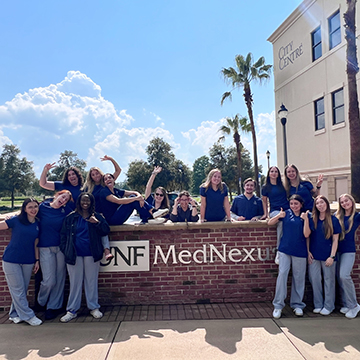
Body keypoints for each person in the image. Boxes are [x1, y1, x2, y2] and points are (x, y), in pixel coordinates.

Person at [59, 193, 110, 322]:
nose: (85, 203)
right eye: (83, 200)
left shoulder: (97, 216)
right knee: (75, 283)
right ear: (79, 202)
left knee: (91, 282)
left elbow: (105, 230)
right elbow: (63, 236)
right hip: (74, 255)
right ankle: (72, 310)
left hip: (91, 254)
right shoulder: (71, 218)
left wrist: (97, 223)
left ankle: (93, 307)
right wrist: (66, 250)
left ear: (92, 202)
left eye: (88, 200)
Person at [1, 198, 42, 326]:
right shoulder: (16, 220)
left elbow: (36, 243)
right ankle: (28, 316)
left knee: (21, 290)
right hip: (11, 260)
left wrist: (36, 260)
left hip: (28, 261)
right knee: (18, 289)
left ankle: (14, 314)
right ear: (24, 209)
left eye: (35, 206)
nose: (33, 209)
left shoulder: (37, 223)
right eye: (30, 207)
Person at [268, 194, 308, 319]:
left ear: (301, 204)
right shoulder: (285, 214)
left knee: (299, 278)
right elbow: (270, 223)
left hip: (300, 251)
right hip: (285, 250)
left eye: (296, 204)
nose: (294, 206)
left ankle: (297, 305)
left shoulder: (306, 216)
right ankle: (278, 305)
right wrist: (278, 216)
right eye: (292, 204)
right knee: (282, 275)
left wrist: (306, 219)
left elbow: (307, 235)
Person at [37, 190, 73, 320]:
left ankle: (53, 307)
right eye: (63, 197)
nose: (63, 200)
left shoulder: (65, 211)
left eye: (66, 200)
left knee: (60, 278)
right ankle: (41, 301)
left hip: (60, 248)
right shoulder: (42, 207)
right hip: (45, 247)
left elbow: (79, 216)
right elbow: (27, 214)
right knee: (49, 280)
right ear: (57, 195)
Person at [304, 195, 340, 315]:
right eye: (318, 203)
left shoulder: (333, 220)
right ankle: (318, 304)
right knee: (314, 280)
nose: (320, 205)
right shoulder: (312, 218)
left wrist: (332, 256)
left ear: (327, 204)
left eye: (322, 203)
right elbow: (308, 237)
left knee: (329, 281)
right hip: (314, 255)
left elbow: (335, 240)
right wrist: (308, 252)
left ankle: (329, 306)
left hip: (328, 256)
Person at [82, 155, 122, 260]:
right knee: (99, 223)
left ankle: (107, 250)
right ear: (91, 177)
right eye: (93, 175)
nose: (96, 176)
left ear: (100, 173)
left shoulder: (106, 182)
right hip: (94, 213)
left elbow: (118, 171)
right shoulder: (88, 188)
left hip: (106, 213)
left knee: (102, 223)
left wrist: (111, 159)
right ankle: (106, 250)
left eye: (97, 173)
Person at [100, 173, 168, 225]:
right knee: (133, 199)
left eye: (109, 178)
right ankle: (151, 213)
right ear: (104, 183)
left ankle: (149, 215)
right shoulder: (104, 191)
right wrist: (136, 198)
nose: (108, 179)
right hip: (112, 220)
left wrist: (140, 197)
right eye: (105, 179)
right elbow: (118, 201)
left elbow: (134, 192)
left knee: (133, 198)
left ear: (113, 180)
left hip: (118, 217)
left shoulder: (116, 191)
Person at [335, 193, 360, 319]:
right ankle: (346, 303)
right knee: (339, 278)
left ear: (352, 201)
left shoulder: (357, 216)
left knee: (344, 275)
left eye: (347, 201)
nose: (345, 203)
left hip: (348, 250)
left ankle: (354, 305)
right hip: (336, 250)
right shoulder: (337, 216)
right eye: (342, 202)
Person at [261, 166, 290, 264]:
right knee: (281, 222)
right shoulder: (265, 187)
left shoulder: (283, 185)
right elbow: (264, 201)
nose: (274, 173)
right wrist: (266, 214)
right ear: (269, 174)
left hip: (286, 209)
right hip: (275, 211)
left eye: (276, 171)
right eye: (272, 171)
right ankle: (279, 250)